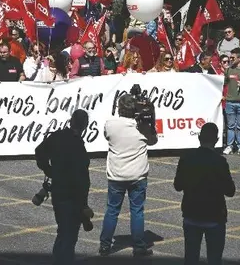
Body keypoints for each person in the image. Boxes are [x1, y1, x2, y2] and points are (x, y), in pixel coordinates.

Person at [99, 93, 158, 258]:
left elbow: (106, 136)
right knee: (137, 211)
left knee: (112, 210)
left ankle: (105, 245)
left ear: (119, 108)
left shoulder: (110, 124)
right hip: (137, 175)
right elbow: (153, 141)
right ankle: (139, 246)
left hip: (116, 174)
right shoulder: (141, 126)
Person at [35, 109, 93, 265]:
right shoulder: (78, 146)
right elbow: (82, 178)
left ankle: (59, 259)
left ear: (70, 121)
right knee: (69, 235)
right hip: (73, 196)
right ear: (85, 126)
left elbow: (39, 151)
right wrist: (84, 203)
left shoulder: (57, 137)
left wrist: (48, 170)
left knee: (62, 230)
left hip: (58, 191)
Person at [173, 123, 235, 265]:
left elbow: (177, 186)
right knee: (214, 258)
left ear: (199, 138)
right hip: (214, 216)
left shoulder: (186, 158)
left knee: (191, 256)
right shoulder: (220, 161)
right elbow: (230, 191)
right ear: (216, 139)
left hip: (191, 214)